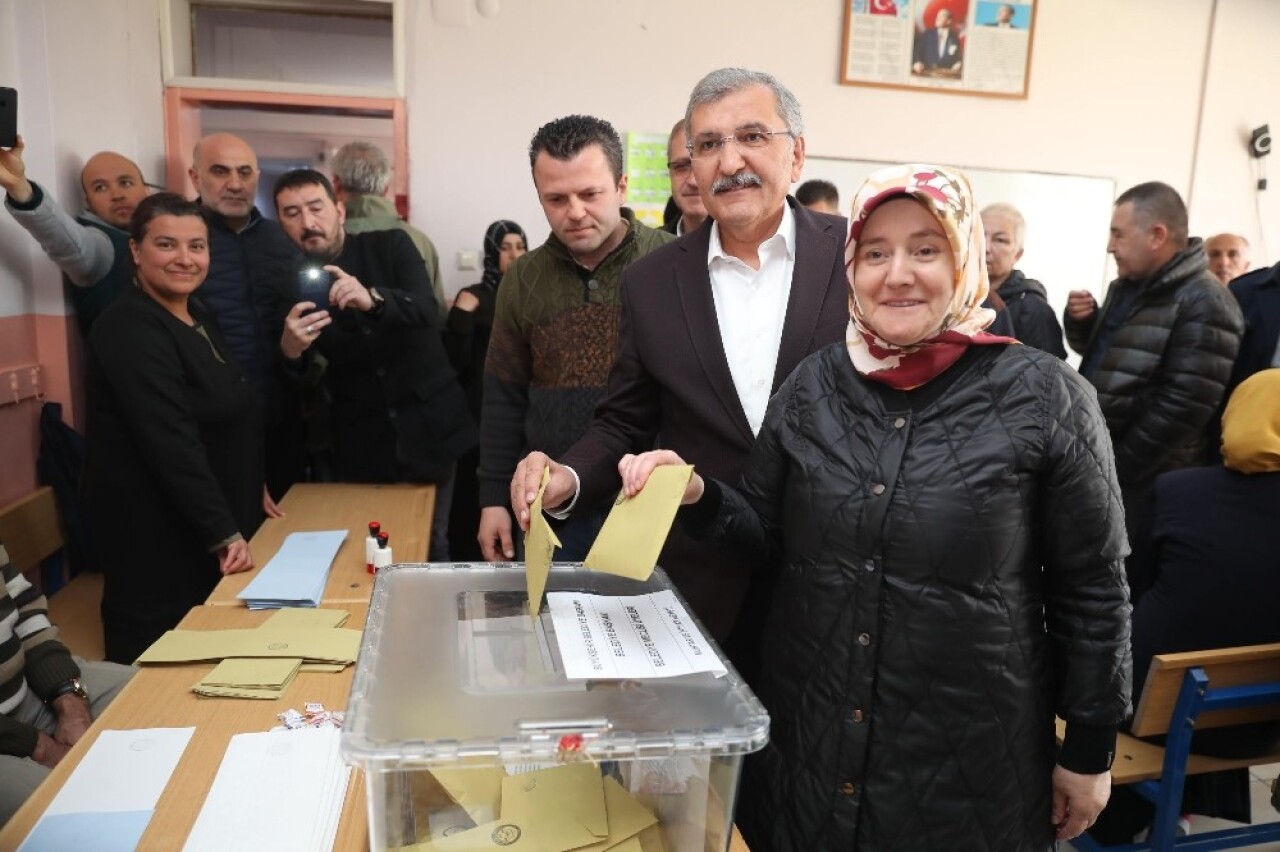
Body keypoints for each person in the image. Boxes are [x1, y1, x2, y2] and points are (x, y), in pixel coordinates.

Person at [618, 164, 1132, 850]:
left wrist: (1089, 750)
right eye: (875, 253)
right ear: (851, 267)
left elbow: (1094, 590)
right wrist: (700, 495)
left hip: (969, 763)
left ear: (965, 258)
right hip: (815, 741)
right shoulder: (814, 387)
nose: (898, 274)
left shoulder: (1045, 397)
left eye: (925, 249)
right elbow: (764, 537)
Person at [509, 68, 851, 675]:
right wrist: (567, 476)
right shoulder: (654, 280)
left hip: (837, 579)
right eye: (709, 144)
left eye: (752, 136)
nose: (730, 160)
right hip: (704, 576)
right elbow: (623, 421)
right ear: (690, 164)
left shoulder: (857, 258)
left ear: (795, 153)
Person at [1090, 368, 1280, 843]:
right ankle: (1185, 809)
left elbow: (1127, 591)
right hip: (1265, 720)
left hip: (1154, 710)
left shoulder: (1181, 491)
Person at [477, 115, 674, 562]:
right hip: (548, 504)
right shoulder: (522, 278)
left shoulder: (669, 263)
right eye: (556, 199)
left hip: (647, 503)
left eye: (590, 194)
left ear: (621, 186)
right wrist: (492, 497)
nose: (576, 212)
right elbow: (503, 397)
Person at [86, 193, 264, 664]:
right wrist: (223, 532)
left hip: (207, 514)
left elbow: (227, 410)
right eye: (167, 244)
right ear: (136, 251)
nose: (185, 259)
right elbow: (169, 439)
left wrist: (252, 482)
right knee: (167, 670)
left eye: (197, 246)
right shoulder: (127, 327)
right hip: (159, 532)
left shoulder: (198, 313)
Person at [275, 169, 474, 561]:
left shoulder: (391, 244)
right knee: (375, 550)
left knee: (434, 544)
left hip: (430, 424)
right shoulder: (292, 283)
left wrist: (374, 299)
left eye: (316, 208)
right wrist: (290, 350)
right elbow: (302, 378)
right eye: (292, 213)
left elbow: (427, 310)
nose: (307, 222)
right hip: (363, 438)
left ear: (339, 211)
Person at [1064, 181, 1242, 602]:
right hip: (1102, 468)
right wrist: (1083, 326)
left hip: (1144, 486)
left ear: (1157, 236)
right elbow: (1111, 358)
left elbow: (1181, 410)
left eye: (1118, 234)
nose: (1110, 246)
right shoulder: (1126, 287)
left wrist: (1112, 470)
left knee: (1117, 594)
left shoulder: (1205, 301)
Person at [189, 132, 301, 504]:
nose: (235, 184)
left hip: (282, 419)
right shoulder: (182, 241)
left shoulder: (280, 239)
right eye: (220, 171)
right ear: (195, 177)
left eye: (244, 172)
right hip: (211, 427)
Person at [0, 543, 135, 823]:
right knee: (69, 810)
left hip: (20, 686)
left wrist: (69, 699)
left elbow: (22, 607)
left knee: (159, 693)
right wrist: (39, 746)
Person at [1, 136, 148, 334]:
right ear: (88, 201)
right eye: (100, 187)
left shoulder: (161, 232)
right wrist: (20, 188)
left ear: (146, 189)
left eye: (126, 182)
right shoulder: (101, 244)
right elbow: (68, 241)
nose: (117, 194)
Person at [446, 220, 528, 562]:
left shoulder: (532, 295)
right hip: (477, 416)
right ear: (492, 254)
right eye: (505, 248)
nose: (514, 255)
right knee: (475, 497)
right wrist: (462, 318)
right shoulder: (474, 297)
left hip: (522, 411)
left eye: (520, 247)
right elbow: (453, 360)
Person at [330, 140, 447, 321]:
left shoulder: (329, 240)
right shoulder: (418, 238)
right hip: (415, 346)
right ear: (385, 188)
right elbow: (437, 313)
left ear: (336, 184)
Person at [980, 202, 1066, 357]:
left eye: (1000, 240)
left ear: (1017, 254)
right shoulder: (956, 298)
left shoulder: (1033, 307)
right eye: (979, 236)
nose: (985, 247)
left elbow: (1049, 375)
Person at [664, 120, 707, 236]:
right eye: (681, 166)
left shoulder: (757, 248)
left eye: (703, 166)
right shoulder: (650, 249)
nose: (693, 181)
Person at [912, 8, 963, 75]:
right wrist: (917, 62)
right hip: (926, 74)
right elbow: (917, 52)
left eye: (941, 16)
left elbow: (958, 58)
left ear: (949, 21)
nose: (937, 18)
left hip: (946, 76)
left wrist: (959, 63)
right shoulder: (927, 34)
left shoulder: (954, 38)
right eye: (937, 16)